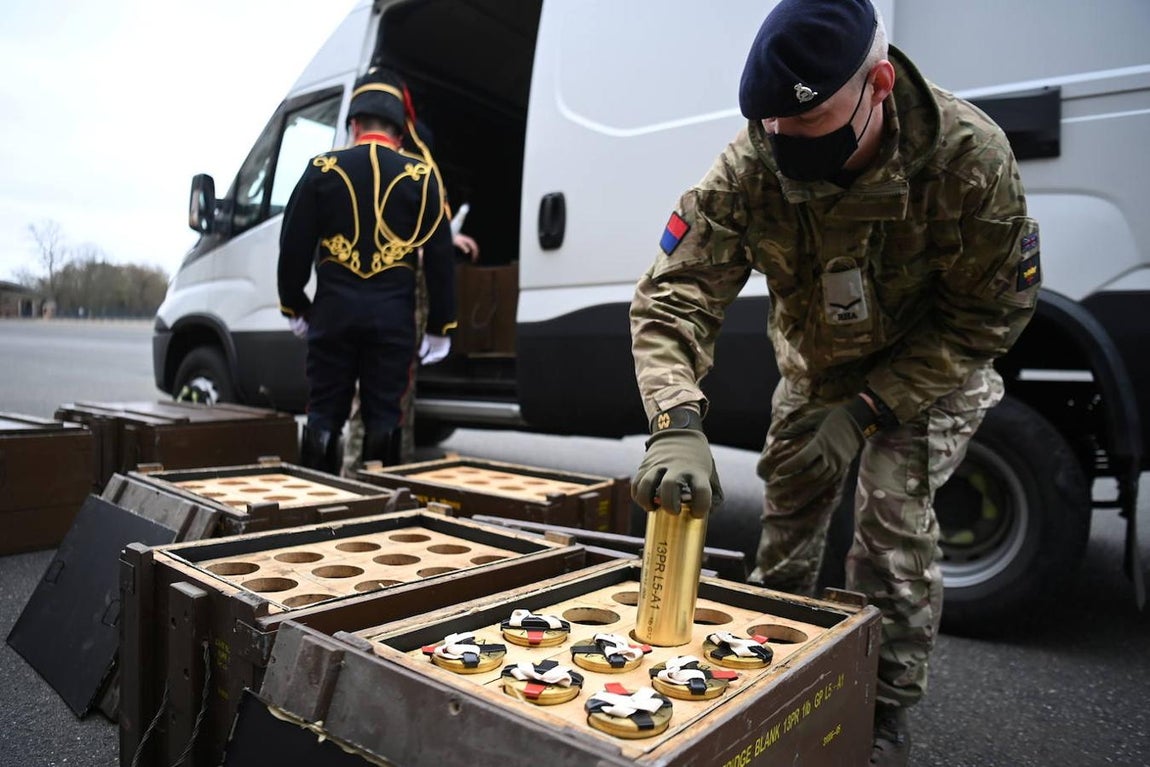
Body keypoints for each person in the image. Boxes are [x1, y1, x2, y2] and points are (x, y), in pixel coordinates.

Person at [628, 1, 1040, 764]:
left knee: (889, 520)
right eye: (771, 129)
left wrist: (870, 409)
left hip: (926, 372)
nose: (782, 147)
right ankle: (765, 673)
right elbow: (674, 296)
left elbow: (989, 317)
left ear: (878, 84)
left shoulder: (967, 159)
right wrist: (677, 421)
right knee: (786, 520)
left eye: (804, 130)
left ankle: (878, 710)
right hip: (817, 367)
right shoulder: (755, 161)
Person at [278, 67, 457, 474]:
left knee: (323, 412)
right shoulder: (422, 175)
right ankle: (378, 515)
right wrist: (439, 325)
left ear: (354, 124)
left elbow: (292, 246)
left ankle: (312, 512)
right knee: (384, 417)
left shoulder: (320, 168)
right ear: (399, 130)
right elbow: (441, 256)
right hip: (392, 321)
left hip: (332, 315)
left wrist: (295, 305)